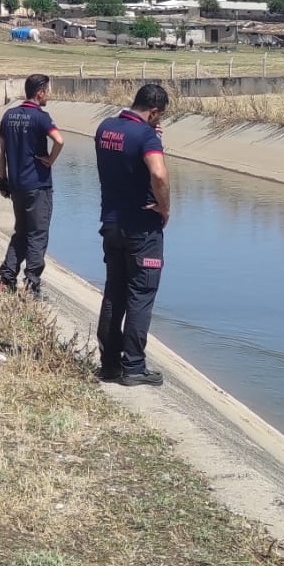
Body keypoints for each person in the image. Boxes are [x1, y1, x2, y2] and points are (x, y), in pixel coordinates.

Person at [94, 83, 170, 387]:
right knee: (140, 295)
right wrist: (164, 207)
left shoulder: (105, 128)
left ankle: (109, 364)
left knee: (114, 291)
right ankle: (134, 367)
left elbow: (124, 150)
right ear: (153, 111)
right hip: (141, 228)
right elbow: (159, 173)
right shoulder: (146, 136)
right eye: (158, 116)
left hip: (111, 223)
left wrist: (149, 136)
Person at [0, 74, 64, 298]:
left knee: (21, 233)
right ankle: (31, 283)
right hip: (38, 185)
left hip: (16, 185)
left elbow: (0, 151)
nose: (48, 96)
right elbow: (59, 140)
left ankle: (7, 279)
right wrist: (51, 159)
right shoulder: (40, 117)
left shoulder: (9, 115)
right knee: (38, 235)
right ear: (40, 92)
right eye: (47, 91)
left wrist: (4, 179)